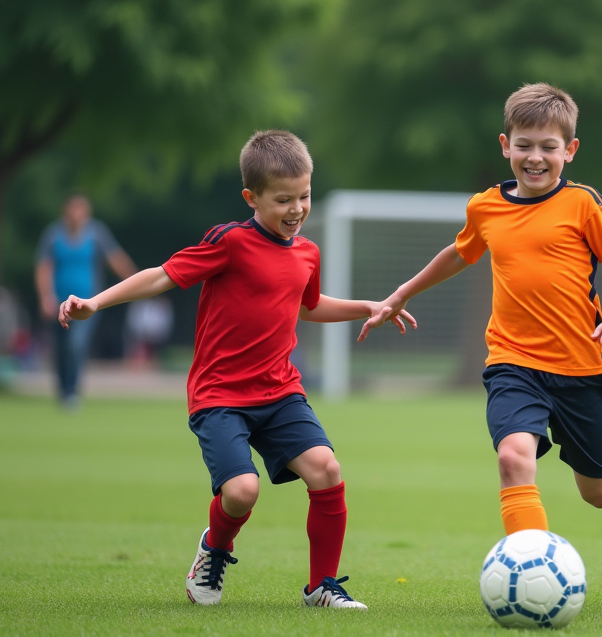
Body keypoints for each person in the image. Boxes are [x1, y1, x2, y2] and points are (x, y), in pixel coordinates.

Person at [58, 131, 413, 609]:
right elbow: (162, 275)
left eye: (304, 196)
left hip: (280, 392)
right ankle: (215, 548)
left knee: (326, 469)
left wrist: (368, 305)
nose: (297, 209)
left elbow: (308, 306)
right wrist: (95, 303)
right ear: (252, 197)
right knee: (243, 492)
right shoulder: (230, 242)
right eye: (283, 199)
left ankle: (321, 587)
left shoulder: (307, 252)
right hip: (220, 396)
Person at [366, 83, 602, 537]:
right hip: (512, 361)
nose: (535, 157)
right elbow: (460, 253)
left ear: (570, 150)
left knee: (599, 494)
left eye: (548, 147)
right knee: (513, 456)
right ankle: (528, 564)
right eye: (524, 146)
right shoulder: (486, 207)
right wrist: (403, 293)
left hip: (580, 368)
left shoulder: (583, 205)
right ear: (506, 146)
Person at [35, 194, 137, 408]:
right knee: (61, 348)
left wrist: (136, 280)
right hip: (58, 303)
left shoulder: (96, 233)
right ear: (66, 213)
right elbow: (44, 267)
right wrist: (46, 297)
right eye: (73, 211)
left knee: (76, 345)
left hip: (86, 304)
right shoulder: (53, 235)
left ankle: (72, 392)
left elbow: (115, 258)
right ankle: (63, 390)